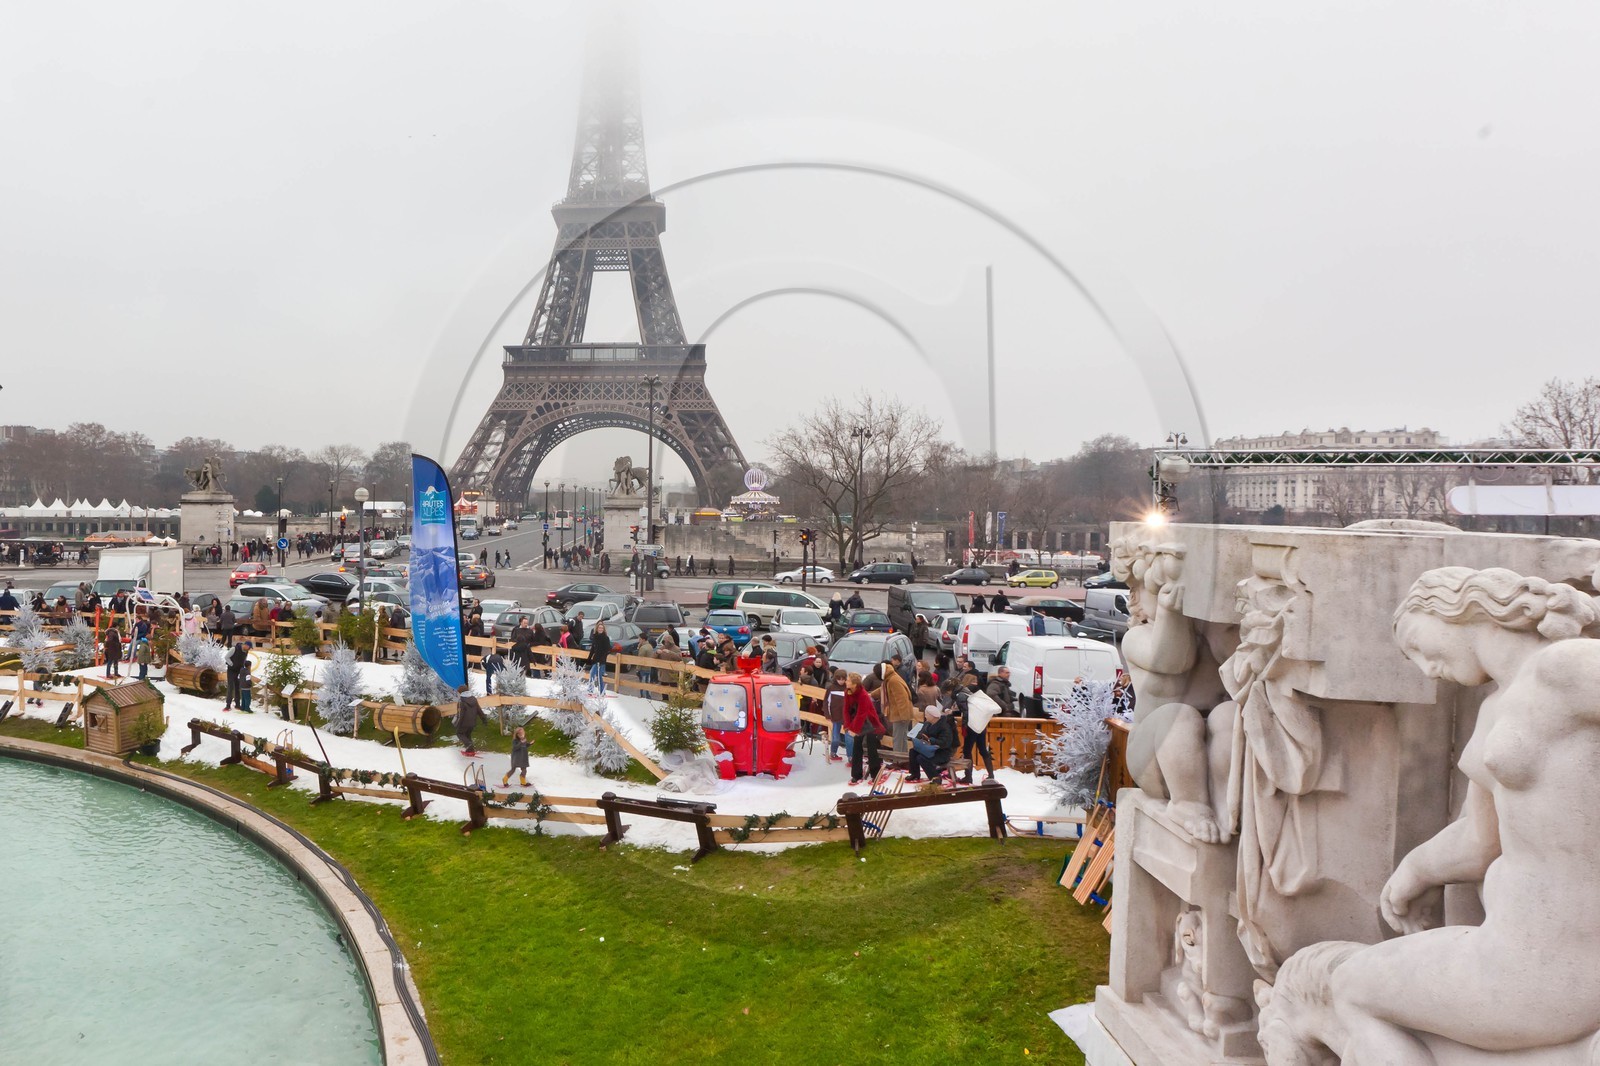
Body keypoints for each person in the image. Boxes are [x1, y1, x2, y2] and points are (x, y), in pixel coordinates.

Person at [842, 671, 886, 787]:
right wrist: (848, 725)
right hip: (856, 721)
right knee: (857, 747)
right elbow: (846, 710)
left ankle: (875, 773)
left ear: (854, 683)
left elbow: (862, 714)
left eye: (848, 680)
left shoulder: (863, 695)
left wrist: (854, 729)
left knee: (872, 748)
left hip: (869, 722)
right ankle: (856, 775)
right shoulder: (847, 692)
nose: (846, 682)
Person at [957, 673, 997, 784]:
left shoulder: (963, 694)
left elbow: (964, 710)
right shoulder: (980, 693)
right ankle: (991, 775)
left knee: (967, 750)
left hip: (971, 724)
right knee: (983, 749)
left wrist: (964, 725)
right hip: (981, 724)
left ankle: (968, 776)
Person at [905, 704, 955, 785]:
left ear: (932, 716)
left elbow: (945, 742)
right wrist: (919, 737)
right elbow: (921, 733)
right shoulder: (927, 724)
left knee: (921, 758)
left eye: (927, 714)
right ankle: (914, 774)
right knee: (913, 752)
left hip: (941, 752)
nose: (925, 716)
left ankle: (936, 777)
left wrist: (930, 740)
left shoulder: (944, 726)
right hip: (927, 749)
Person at [877, 660, 916, 753]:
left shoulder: (892, 681)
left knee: (898, 740)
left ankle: (897, 759)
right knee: (902, 739)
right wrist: (870, 695)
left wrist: (903, 716)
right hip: (902, 714)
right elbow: (882, 690)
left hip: (900, 715)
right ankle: (903, 758)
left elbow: (901, 699)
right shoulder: (891, 677)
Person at [824, 668, 850, 763]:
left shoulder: (848, 688)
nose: (841, 681)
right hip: (835, 716)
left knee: (849, 738)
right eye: (839, 679)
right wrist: (827, 714)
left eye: (843, 679)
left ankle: (850, 756)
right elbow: (826, 702)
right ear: (836, 678)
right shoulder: (831, 688)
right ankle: (833, 752)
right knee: (836, 738)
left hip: (847, 716)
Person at [455, 684, 482, 756]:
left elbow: (460, 715)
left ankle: (468, 744)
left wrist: (457, 724)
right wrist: (484, 719)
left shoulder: (461, 701)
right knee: (467, 735)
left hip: (464, 723)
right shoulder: (474, 699)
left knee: (459, 733)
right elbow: (479, 710)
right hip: (472, 722)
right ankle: (471, 750)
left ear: (461, 693)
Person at [225, 640, 249, 709]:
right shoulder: (234, 649)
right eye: (249, 647)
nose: (249, 649)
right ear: (246, 645)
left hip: (239, 671)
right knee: (230, 687)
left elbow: (244, 660)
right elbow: (226, 657)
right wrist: (231, 664)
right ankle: (228, 705)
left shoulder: (246, 652)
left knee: (237, 687)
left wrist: (243, 668)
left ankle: (237, 704)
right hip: (231, 670)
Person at [588, 621, 612, 690]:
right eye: (599, 628)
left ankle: (596, 690)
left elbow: (608, 650)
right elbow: (593, 648)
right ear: (597, 629)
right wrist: (589, 658)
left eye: (602, 628)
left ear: (603, 629)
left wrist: (602, 658)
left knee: (595, 674)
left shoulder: (605, 638)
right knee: (595, 675)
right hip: (595, 659)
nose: (600, 629)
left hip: (601, 660)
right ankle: (597, 690)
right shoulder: (595, 637)